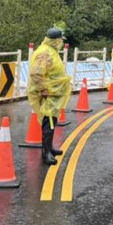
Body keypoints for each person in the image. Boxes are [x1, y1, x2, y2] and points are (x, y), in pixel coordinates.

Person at [27, 27, 72, 165]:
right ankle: (45, 153)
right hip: (47, 93)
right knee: (48, 122)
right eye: (59, 40)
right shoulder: (45, 52)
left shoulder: (51, 51)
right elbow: (36, 73)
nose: (60, 43)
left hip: (53, 92)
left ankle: (49, 148)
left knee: (52, 120)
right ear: (55, 40)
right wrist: (43, 90)